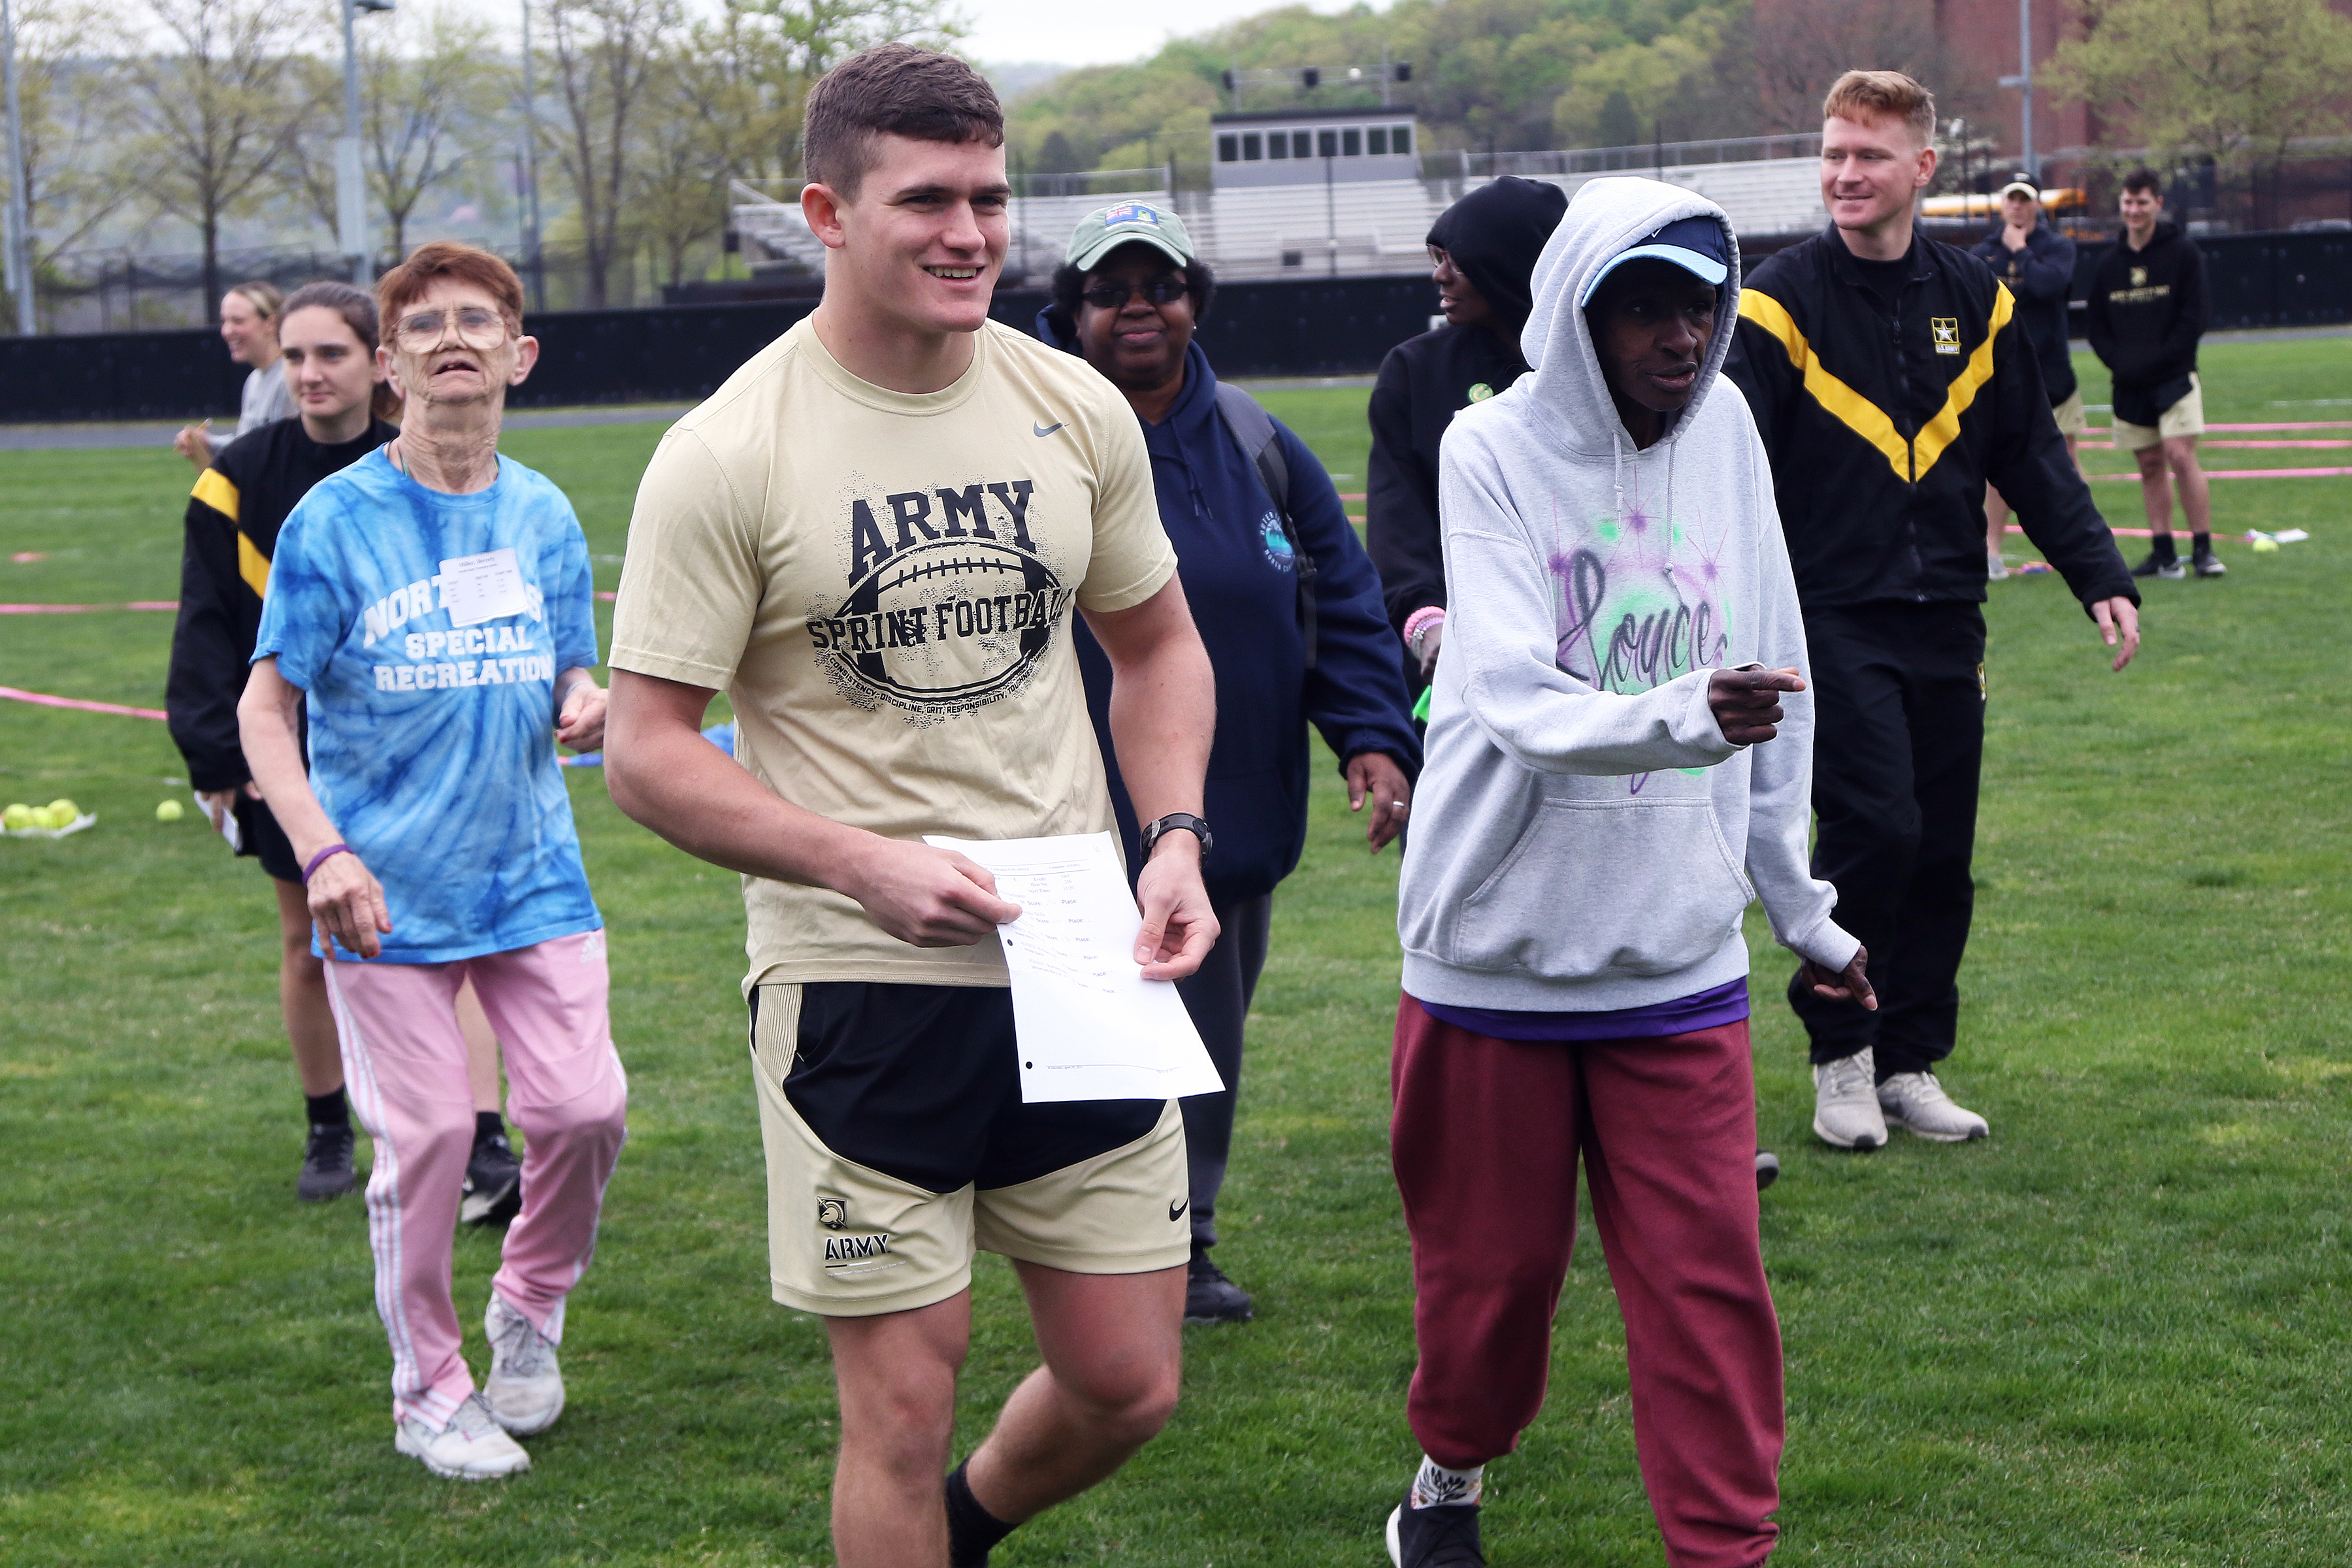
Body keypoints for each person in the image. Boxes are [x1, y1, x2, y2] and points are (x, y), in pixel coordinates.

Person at [600, 46, 1217, 1568]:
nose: (969, 232)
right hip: (858, 980)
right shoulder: (728, 450)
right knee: (899, 1404)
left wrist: (1175, 838)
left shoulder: (1072, 405)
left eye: (989, 198)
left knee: (1130, 1382)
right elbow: (647, 750)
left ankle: (956, 1532)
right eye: (927, 199)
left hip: (1077, 956)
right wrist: (857, 862)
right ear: (828, 212)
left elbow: (1158, 648)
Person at [1386, 177, 1874, 1568]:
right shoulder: (1488, 446)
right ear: (1573, 313)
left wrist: (1805, 913)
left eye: (1700, 306)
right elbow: (1506, 691)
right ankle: (1447, 1481)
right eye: (1644, 306)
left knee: (1709, 1291)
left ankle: (1727, 1553)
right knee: (1492, 1291)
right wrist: (1683, 715)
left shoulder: (1729, 428)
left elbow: (1777, 669)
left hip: (1678, 958)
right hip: (1495, 955)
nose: (1682, 336)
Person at [236, 242, 628, 1481]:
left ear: (520, 356)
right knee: (429, 1145)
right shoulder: (332, 520)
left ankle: (530, 1302)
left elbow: (569, 661)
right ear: (391, 367)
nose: (452, 337)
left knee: (584, 1110)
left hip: (532, 874)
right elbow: (264, 709)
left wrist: (585, 696)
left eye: (478, 320)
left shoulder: (543, 512)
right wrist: (324, 853)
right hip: (384, 896)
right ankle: (431, 1392)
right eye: (423, 325)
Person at [1724, 70, 2140, 1152]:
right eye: (1833, 154)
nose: (1845, 174)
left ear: (1923, 167)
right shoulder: (1775, 302)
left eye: (1868, 155)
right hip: (1828, 616)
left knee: (1941, 850)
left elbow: (2029, 452)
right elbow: (1725, 472)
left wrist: (2099, 573)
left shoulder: (1980, 297)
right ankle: (1842, 1055)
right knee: (1876, 829)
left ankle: (1910, 1060)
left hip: (1949, 613)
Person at [1036, 201, 1420, 1325]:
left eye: (1161, 286)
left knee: (1204, 1030)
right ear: (1072, 313)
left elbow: (1341, 597)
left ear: (1195, 303)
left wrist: (1371, 734)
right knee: (1085, 1042)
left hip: (1233, 812)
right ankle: (1089, 1242)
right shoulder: (1032, 435)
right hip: (1072, 811)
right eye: (1111, 292)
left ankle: (1185, 1237)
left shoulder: (1256, 439)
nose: (1139, 308)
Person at [165, 281, 523, 1218]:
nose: (310, 373)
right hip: (291, 760)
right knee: (308, 943)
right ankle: (329, 1125)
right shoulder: (238, 478)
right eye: (294, 356)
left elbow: (483, 596)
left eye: (331, 353)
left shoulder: (429, 461)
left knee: (457, 940)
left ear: (381, 362)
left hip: (425, 753)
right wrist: (219, 759)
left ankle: (483, 1136)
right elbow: (206, 624)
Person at [1367, 176, 1568, 696]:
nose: (1439, 275)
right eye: (1438, 258)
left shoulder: (1593, 370)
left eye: (1457, 260)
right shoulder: (1415, 372)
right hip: (1461, 661)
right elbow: (1399, 524)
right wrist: (1428, 626)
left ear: (1510, 262)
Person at [2087, 168, 2217, 579]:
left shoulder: (2183, 254)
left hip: (2175, 377)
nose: (2134, 210)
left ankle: (2203, 550)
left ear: (2158, 204)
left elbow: (2194, 317)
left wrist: (2161, 360)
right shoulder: (2109, 264)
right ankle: (2164, 553)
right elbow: (2096, 326)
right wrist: (2120, 363)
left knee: (2181, 456)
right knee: (2149, 465)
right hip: (2130, 383)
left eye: (2142, 202)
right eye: (2128, 202)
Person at [1970, 175, 2083, 579]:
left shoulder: (2058, 247)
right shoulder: (1983, 253)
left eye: (2025, 199)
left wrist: (2021, 251)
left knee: (2064, 463)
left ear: (2037, 205)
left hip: (2053, 373)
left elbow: (2049, 286)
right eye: (2012, 199)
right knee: (1998, 467)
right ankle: (1991, 553)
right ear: (2003, 205)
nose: (2017, 206)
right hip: (2000, 374)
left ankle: (2077, 547)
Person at [174, 281, 296, 472]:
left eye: (238, 321)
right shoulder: (254, 379)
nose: (227, 331)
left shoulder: (289, 380)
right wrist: (208, 443)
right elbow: (249, 446)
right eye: (225, 321)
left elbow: (280, 456)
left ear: (271, 324)